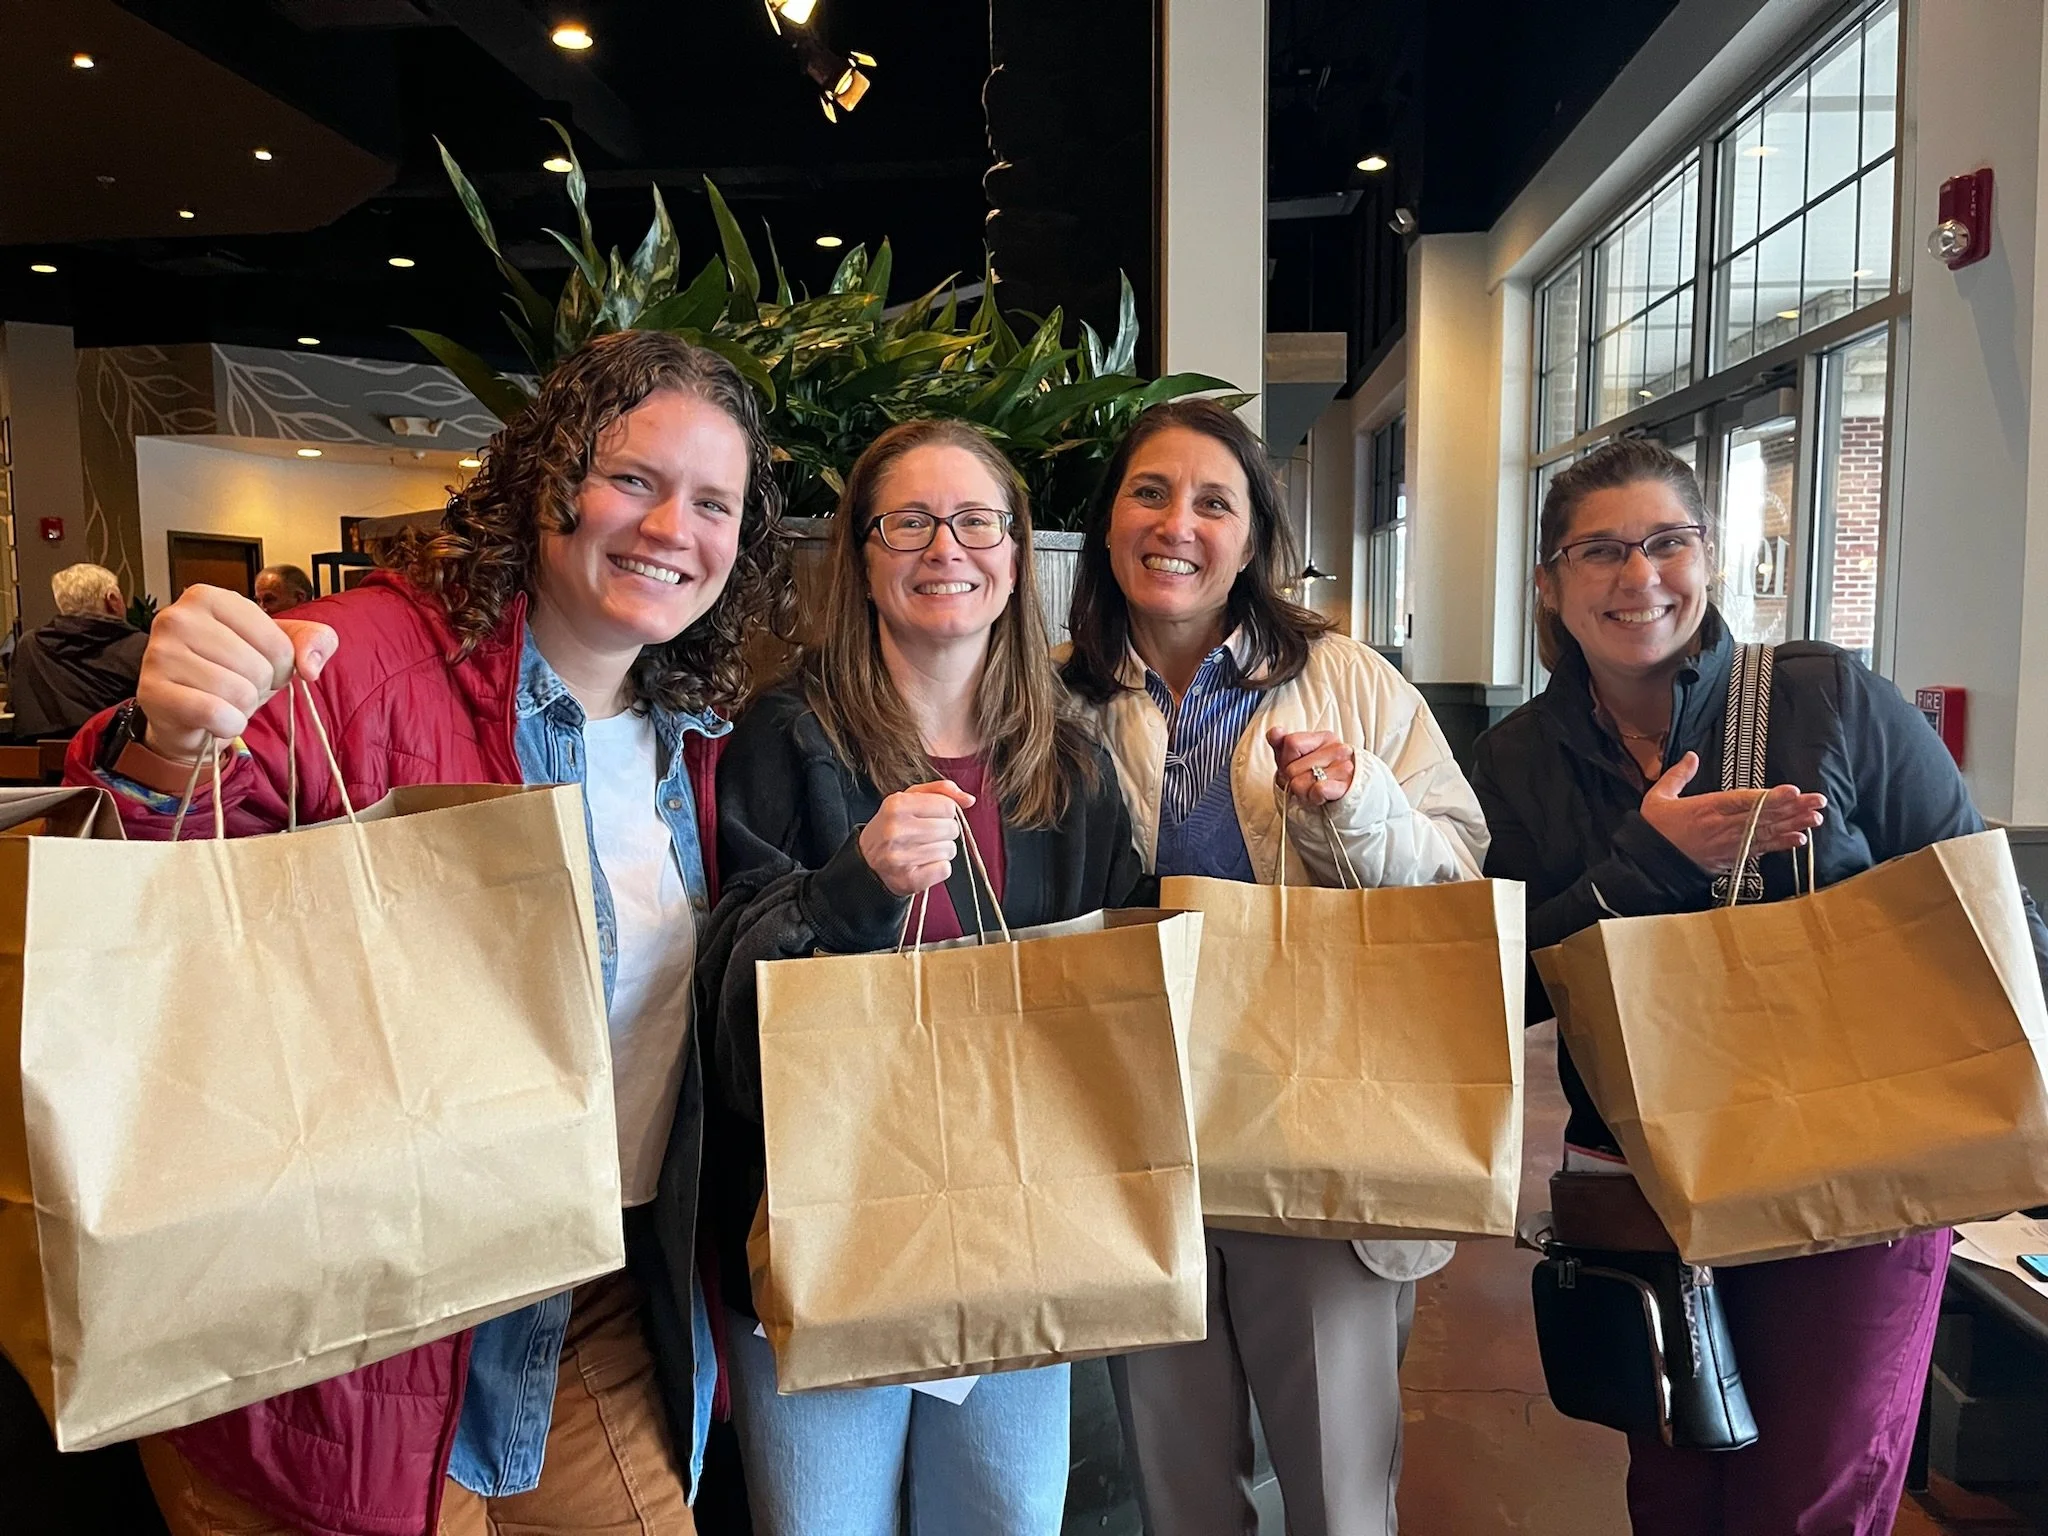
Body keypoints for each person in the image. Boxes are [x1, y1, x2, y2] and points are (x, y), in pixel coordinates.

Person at [65, 330, 792, 1536]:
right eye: (633, 480)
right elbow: (149, 927)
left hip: (592, 1308)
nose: (673, 528)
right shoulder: (363, 663)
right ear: (545, 479)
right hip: (352, 1335)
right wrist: (169, 741)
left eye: (712, 503)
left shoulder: (697, 740)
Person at [1469, 437, 2048, 1535]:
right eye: (1598, 551)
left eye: (1666, 542)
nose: (1638, 578)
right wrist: (1646, 863)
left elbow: (1977, 899)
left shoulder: (1822, 697)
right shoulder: (1513, 762)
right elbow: (1503, 991)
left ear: (1711, 556)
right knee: (1675, 1489)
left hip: (1860, 1161)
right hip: (1647, 1174)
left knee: (1809, 1495)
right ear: (1548, 581)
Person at [697, 418, 1144, 1536]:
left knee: (1002, 1520)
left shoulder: (1071, 764)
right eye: (908, 522)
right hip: (830, 1208)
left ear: (1013, 551)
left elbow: (1122, 975)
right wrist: (853, 884)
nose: (945, 547)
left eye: (975, 521)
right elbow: (726, 995)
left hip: (1022, 1219)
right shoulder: (784, 734)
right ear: (860, 554)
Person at [1060, 398, 1488, 1536]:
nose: (1176, 523)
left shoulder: (1344, 677)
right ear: (1107, 522)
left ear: (1253, 540)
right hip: (1130, 1132)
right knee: (1177, 1490)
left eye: (1214, 501)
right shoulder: (1050, 694)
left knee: (1339, 1494)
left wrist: (1356, 805)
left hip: (1321, 1119)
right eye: (1147, 492)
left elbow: (1452, 887)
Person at [7, 562, 147, 739]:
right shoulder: (141, 647)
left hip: (44, 761)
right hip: (115, 761)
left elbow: (16, 705)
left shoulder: (29, 645)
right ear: (112, 600)